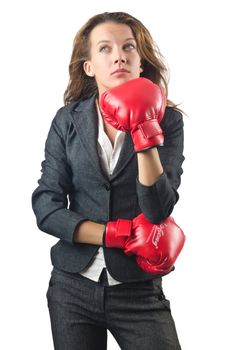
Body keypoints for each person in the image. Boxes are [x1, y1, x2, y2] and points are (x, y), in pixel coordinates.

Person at [31, 11, 185, 350]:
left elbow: (158, 209)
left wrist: (144, 130)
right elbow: (46, 206)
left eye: (128, 47)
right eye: (105, 48)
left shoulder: (168, 121)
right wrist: (113, 234)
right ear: (89, 66)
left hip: (138, 290)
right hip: (72, 286)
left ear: (140, 62)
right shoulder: (67, 121)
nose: (119, 55)